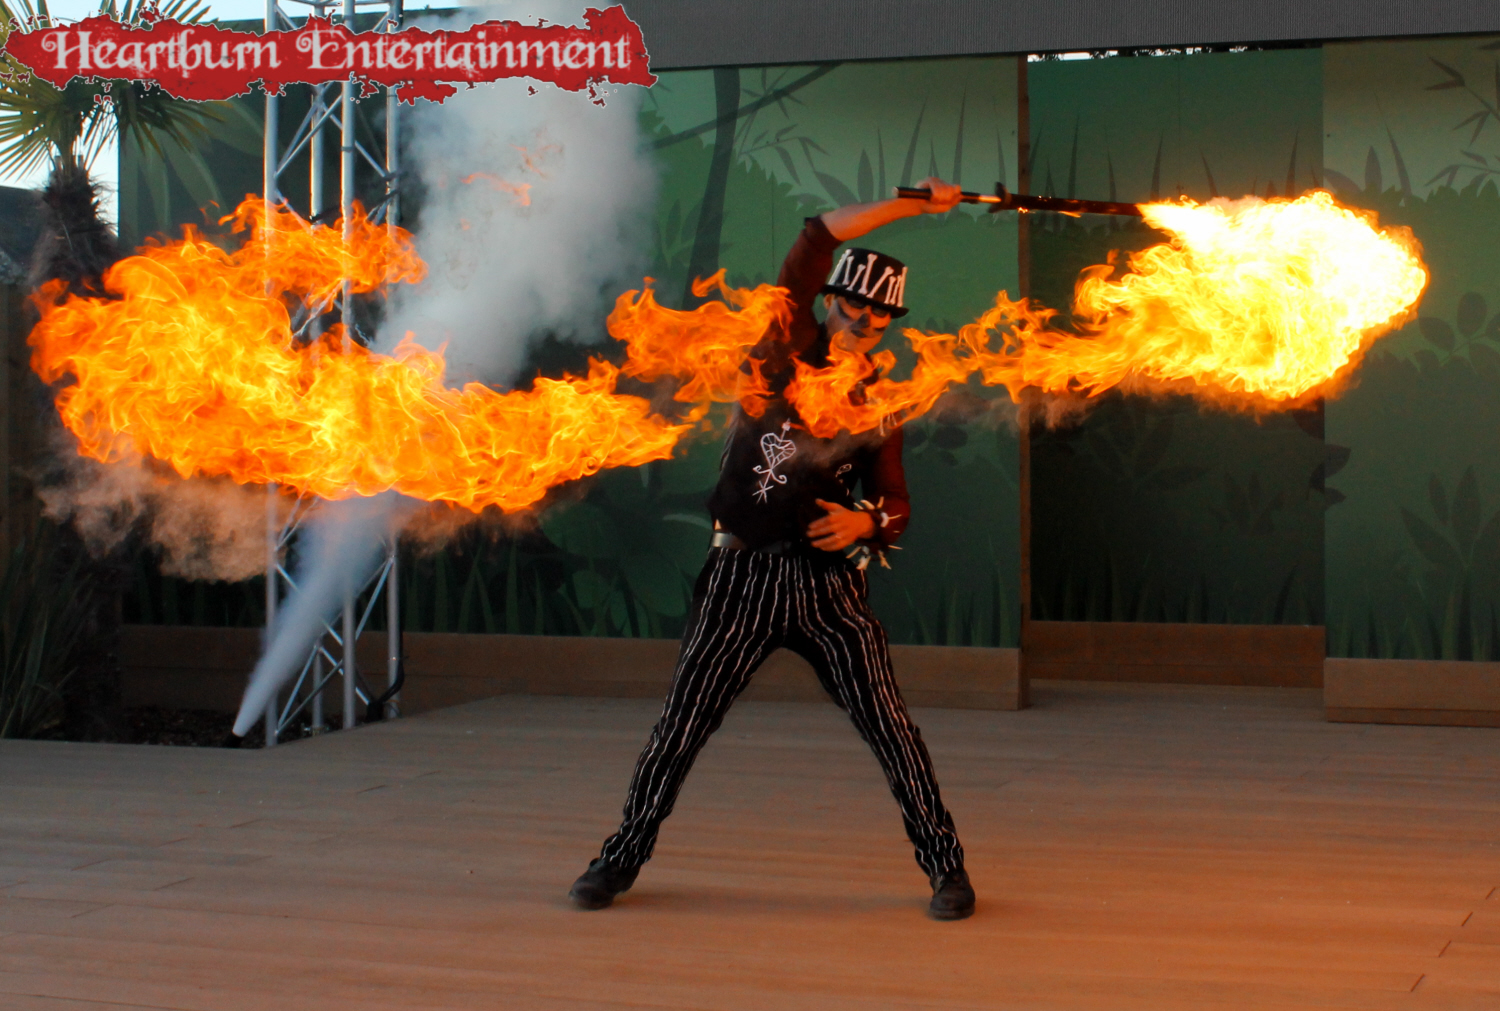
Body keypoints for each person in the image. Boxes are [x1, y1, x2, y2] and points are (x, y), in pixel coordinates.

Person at [570, 177, 975, 920]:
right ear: (830, 303)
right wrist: (913, 205)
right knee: (681, 724)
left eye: (877, 316)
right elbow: (816, 237)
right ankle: (618, 857)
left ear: (889, 325)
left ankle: (947, 869)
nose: (862, 322)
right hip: (741, 577)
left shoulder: (882, 404)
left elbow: (897, 504)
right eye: (852, 306)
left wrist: (866, 526)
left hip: (829, 590)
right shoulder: (780, 351)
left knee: (891, 726)